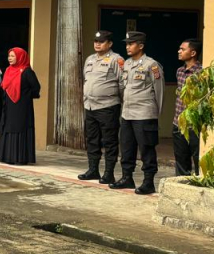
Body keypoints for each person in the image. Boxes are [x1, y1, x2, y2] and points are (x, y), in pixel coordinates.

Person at [113, 31, 164, 195]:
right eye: (127, 44)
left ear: (140, 46)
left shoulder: (152, 65)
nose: (128, 46)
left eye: (131, 43)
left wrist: (156, 115)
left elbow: (160, 92)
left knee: (147, 148)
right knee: (127, 147)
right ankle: (127, 177)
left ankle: (148, 182)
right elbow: (123, 88)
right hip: (127, 113)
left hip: (144, 114)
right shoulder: (126, 64)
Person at [80, 30, 124, 183]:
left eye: (102, 41)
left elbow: (122, 83)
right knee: (92, 139)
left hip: (108, 106)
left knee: (109, 141)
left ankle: (108, 172)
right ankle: (93, 170)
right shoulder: (90, 59)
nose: (97, 44)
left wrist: (119, 101)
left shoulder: (116, 60)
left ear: (110, 44)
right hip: (90, 106)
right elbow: (86, 80)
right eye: (96, 41)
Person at [0, 48, 41, 166]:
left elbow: (36, 88)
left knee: (19, 128)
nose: (9, 58)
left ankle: (20, 157)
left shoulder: (27, 72)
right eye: (9, 56)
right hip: (9, 106)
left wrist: (25, 96)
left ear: (20, 57)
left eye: (13, 56)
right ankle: (7, 156)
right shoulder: (8, 70)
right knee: (8, 126)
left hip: (22, 107)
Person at [173, 38, 202, 177]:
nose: (179, 51)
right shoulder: (179, 71)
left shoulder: (202, 72)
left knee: (197, 157)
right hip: (178, 122)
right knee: (180, 158)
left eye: (182, 49)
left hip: (194, 124)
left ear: (193, 53)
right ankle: (181, 186)